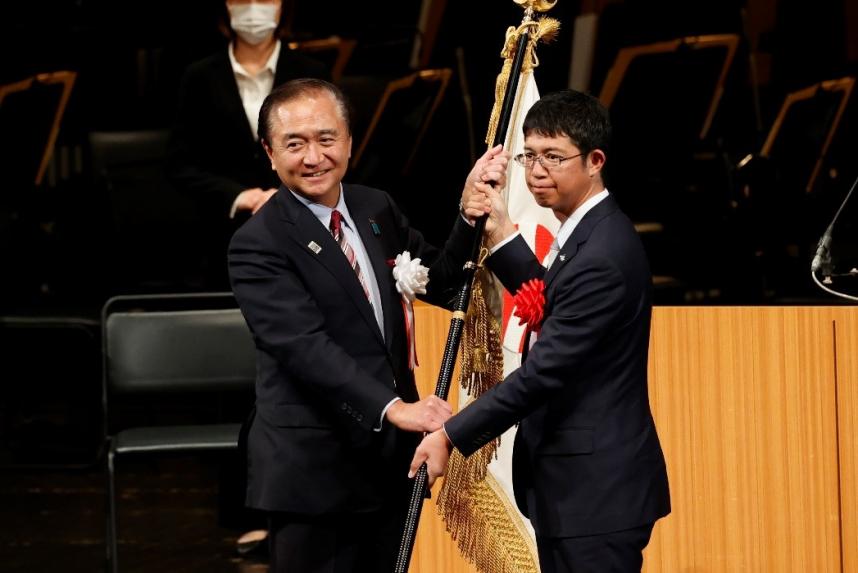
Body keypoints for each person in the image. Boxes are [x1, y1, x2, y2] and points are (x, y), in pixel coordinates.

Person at [228, 78, 508, 572]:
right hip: (313, 468)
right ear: (270, 154)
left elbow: (438, 283)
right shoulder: (259, 242)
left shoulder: (375, 206)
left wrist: (467, 216)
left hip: (388, 461)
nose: (313, 156)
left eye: (326, 139)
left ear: (350, 142)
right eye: (295, 144)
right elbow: (303, 346)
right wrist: (396, 408)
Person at [411, 89, 671, 573]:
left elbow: (543, 373)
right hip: (579, 488)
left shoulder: (603, 255)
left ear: (595, 161)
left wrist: (449, 435)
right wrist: (503, 235)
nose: (535, 171)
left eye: (554, 157)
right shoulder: (586, 230)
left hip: (596, 494)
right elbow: (552, 301)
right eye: (529, 156)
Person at [167, 0, 330, 289]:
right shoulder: (198, 76)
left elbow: (331, 154)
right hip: (220, 234)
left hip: (301, 230)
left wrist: (285, 196)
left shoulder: (312, 74)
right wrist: (241, 196)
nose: (254, 7)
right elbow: (179, 164)